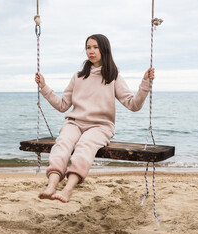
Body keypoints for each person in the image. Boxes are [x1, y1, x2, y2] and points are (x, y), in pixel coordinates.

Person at [35, 34, 155, 203]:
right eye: (88, 47)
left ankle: (68, 190)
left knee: (85, 146)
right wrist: (44, 87)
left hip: (100, 126)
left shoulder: (113, 77)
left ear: (104, 50)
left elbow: (133, 105)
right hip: (74, 122)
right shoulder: (78, 76)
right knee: (62, 144)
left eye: (95, 47)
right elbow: (62, 105)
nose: (91, 51)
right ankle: (52, 185)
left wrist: (145, 84)